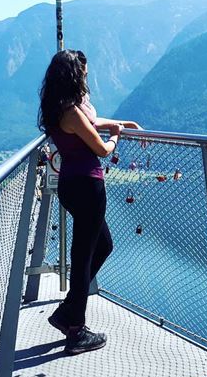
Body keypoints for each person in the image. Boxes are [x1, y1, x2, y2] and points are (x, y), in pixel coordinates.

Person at [37, 49, 142, 355]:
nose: (86, 75)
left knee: (102, 246)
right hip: (87, 186)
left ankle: (68, 310)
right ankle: (75, 331)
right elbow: (101, 149)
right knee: (83, 258)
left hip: (73, 184)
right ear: (73, 74)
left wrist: (120, 122)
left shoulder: (60, 110)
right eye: (82, 71)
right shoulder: (71, 112)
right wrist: (117, 137)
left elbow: (91, 122)